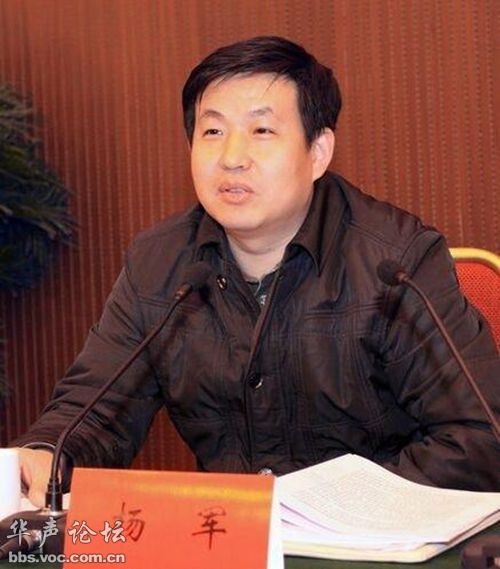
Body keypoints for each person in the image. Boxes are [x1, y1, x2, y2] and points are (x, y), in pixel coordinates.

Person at [13, 36, 500, 506]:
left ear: (318, 152)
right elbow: (95, 411)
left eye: (262, 131)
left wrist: (324, 508)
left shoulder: (397, 261)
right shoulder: (159, 264)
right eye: (213, 132)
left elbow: (479, 439)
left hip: (376, 540)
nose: (231, 158)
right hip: (228, 539)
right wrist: (46, 453)